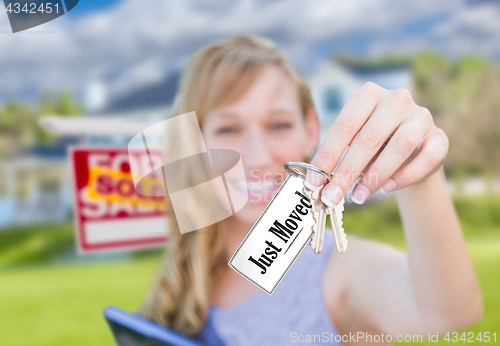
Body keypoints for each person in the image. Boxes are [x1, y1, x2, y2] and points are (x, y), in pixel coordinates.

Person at [139, 36, 483, 345]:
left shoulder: (337, 272)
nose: (257, 155)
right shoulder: (190, 264)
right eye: (228, 129)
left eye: (278, 125)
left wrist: (418, 175)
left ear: (310, 131)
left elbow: (445, 315)